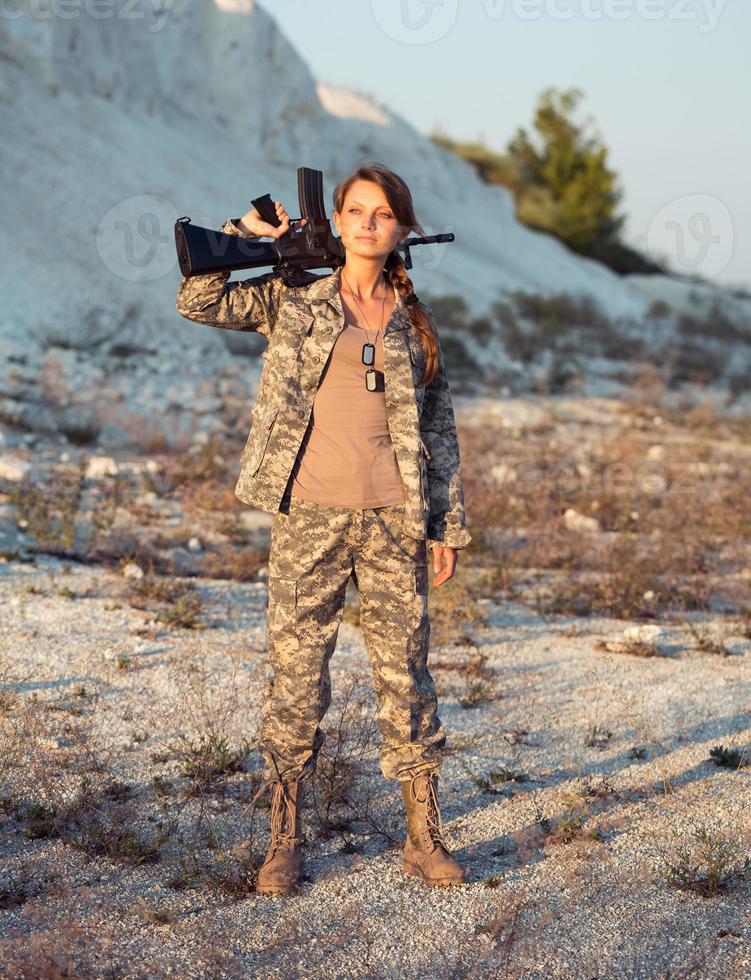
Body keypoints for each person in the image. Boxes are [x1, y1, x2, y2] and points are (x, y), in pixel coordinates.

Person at [176, 162, 472, 895]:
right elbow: (197, 296)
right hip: (307, 515)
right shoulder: (294, 298)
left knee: (405, 675)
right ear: (336, 221)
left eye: (383, 213)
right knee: (296, 678)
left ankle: (422, 835)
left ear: (403, 230)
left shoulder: (414, 323)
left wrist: (445, 525)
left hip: (393, 521)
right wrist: (249, 232)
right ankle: (283, 839)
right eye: (357, 210)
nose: (369, 221)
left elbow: (439, 427)